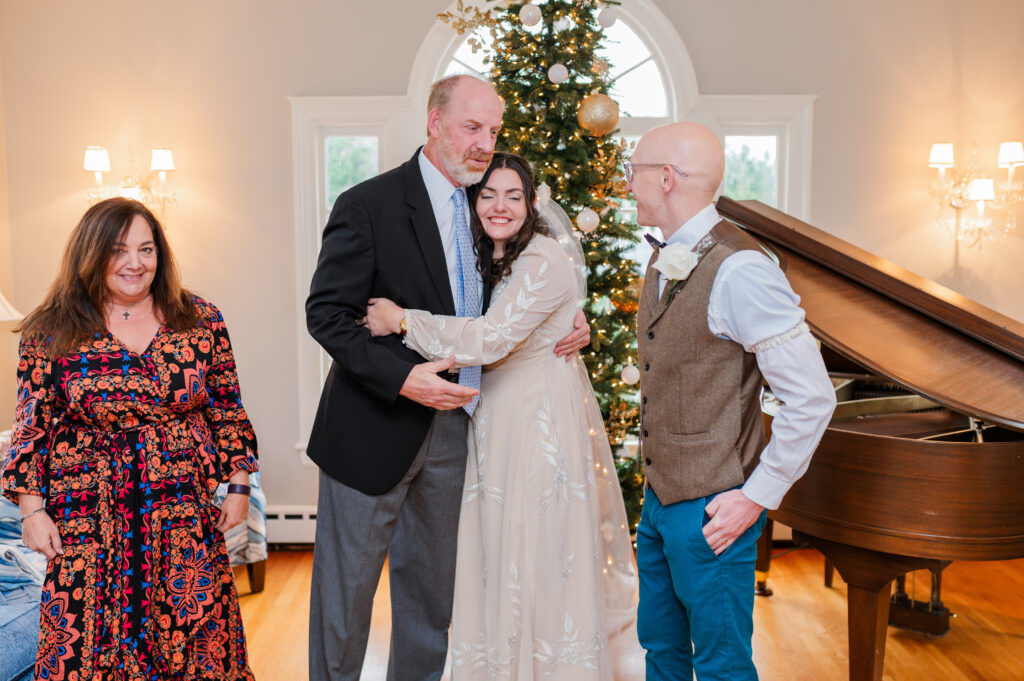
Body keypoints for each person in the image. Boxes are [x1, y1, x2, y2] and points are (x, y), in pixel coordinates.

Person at [304, 76, 589, 681]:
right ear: (434, 123)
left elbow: (518, 301)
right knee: (346, 605)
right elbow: (326, 315)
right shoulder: (368, 204)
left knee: (430, 606)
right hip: (371, 431)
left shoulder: (492, 212)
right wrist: (405, 381)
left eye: (492, 130)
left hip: (459, 433)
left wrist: (570, 315)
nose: (485, 143)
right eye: (471, 127)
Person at [364, 152, 642, 680]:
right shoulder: (486, 257)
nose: (499, 206)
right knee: (495, 554)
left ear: (532, 203)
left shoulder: (541, 258)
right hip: (493, 420)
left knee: (531, 552)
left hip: (536, 427)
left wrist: (402, 320)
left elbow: (491, 339)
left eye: (513, 196)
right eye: (488, 195)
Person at [1, 197, 259, 681]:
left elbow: (226, 406)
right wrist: (32, 512)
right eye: (120, 250)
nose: (135, 263)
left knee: (196, 641)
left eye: (146, 249)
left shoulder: (200, 319)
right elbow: (32, 425)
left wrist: (240, 484)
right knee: (87, 650)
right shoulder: (49, 330)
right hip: (88, 518)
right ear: (91, 253)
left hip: (181, 513)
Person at [626, 122, 837, 681]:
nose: (628, 183)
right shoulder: (664, 255)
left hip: (715, 508)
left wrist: (755, 499)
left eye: (635, 170)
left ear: (666, 178)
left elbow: (812, 398)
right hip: (660, 498)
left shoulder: (742, 269)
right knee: (662, 652)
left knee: (722, 666)